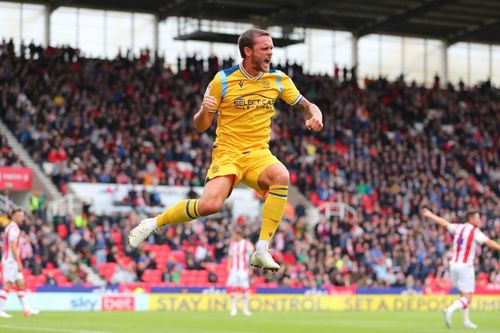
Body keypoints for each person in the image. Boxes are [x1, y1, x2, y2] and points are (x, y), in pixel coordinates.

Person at [128, 28, 323, 270]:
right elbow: (201, 126)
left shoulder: (279, 80)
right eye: (265, 48)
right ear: (247, 51)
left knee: (281, 175)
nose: (271, 53)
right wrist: (205, 109)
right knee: (211, 205)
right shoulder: (222, 80)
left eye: (272, 48)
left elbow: (307, 106)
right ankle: (154, 223)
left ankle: (262, 249)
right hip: (228, 153)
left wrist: (317, 114)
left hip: (258, 154)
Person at [422, 208, 500, 329]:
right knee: (468, 297)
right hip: (465, 266)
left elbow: (443, 222)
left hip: (453, 265)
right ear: (471, 219)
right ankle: (450, 310)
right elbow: (489, 242)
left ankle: (466, 321)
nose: (479, 220)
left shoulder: (458, 227)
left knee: (462, 294)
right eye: (477, 218)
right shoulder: (474, 232)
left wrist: (430, 214)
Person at [0, 209, 39, 318]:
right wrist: (19, 262)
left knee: (20, 283)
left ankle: (27, 309)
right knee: (8, 284)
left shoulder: (12, 228)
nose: (22, 218)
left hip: (11, 260)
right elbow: (13, 246)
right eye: (20, 216)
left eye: (22, 216)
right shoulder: (13, 228)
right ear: (14, 217)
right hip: (11, 261)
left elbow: (8, 244)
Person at [227, 228, 253, 316]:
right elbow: (230, 256)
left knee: (245, 289)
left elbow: (252, 255)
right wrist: (228, 266)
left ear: (239, 234)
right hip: (234, 269)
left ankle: (245, 309)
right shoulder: (232, 244)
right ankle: (234, 309)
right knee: (233, 288)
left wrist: (250, 268)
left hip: (243, 269)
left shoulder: (246, 243)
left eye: (235, 234)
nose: (233, 236)